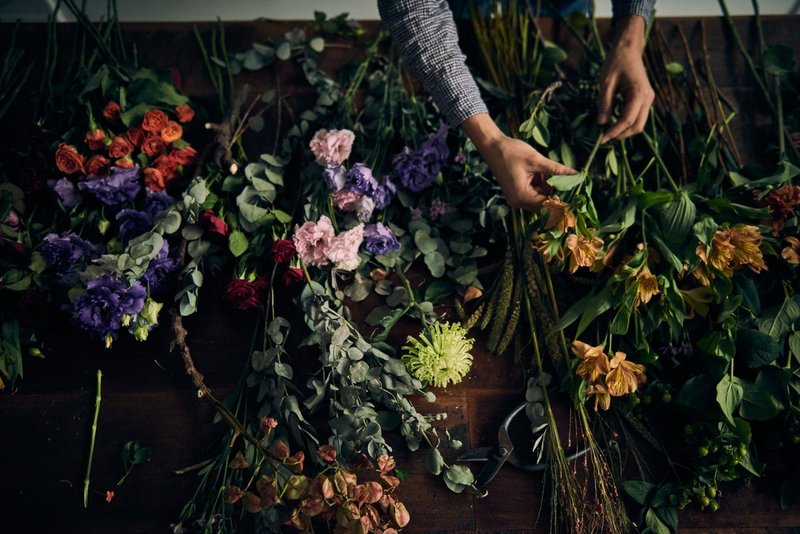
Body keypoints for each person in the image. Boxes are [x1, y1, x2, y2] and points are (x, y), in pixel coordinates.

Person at [378, 0, 656, 211]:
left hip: (565, 18)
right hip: (466, 21)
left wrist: (630, 35)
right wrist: (492, 140)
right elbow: (412, 6)